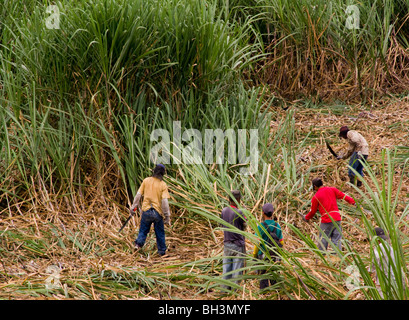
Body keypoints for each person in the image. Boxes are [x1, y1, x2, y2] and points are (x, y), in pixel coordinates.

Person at [302, 178, 355, 254]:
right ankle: (337, 257)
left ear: (315, 186)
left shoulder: (316, 196)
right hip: (337, 219)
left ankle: (322, 257)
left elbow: (313, 211)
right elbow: (344, 196)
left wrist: (306, 218)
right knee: (336, 239)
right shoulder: (332, 190)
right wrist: (354, 202)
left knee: (323, 239)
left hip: (326, 220)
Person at [131, 164, 171, 256]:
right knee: (160, 233)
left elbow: (138, 195)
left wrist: (133, 207)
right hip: (157, 213)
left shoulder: (146, 181)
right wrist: (167, 216)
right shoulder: (163, 185)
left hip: (146, 210)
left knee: (143, 230)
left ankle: (138, 245)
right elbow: (165, 202)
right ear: (163, 174)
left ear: (154, 171)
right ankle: (162, 252)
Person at [253, 203, 283, 289]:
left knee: (263, 276)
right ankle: (276, 293)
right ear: (273, 213)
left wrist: (254, 255)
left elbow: (257, 243)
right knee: (275, 275)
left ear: (263, 213)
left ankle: (264, 292)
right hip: (274, 254)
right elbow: (282, 242)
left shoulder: (260, 226)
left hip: (263, 255)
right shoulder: (277, 226)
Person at [220, 190, 247, 291]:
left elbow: (222, 224)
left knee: (226, 269)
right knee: (237, 270)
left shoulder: (224, 211)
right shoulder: (239, 212)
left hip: (227, 243)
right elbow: (245, 225)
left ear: (229, 199)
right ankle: (234, 292)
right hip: (237, 245)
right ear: (238, 200)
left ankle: (224, 290)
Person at [370, 227, 399, 299]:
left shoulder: (378, 248)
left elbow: (375, 262)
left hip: (384, 281)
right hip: (395, 279)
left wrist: (369, 272)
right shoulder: (390, 247)